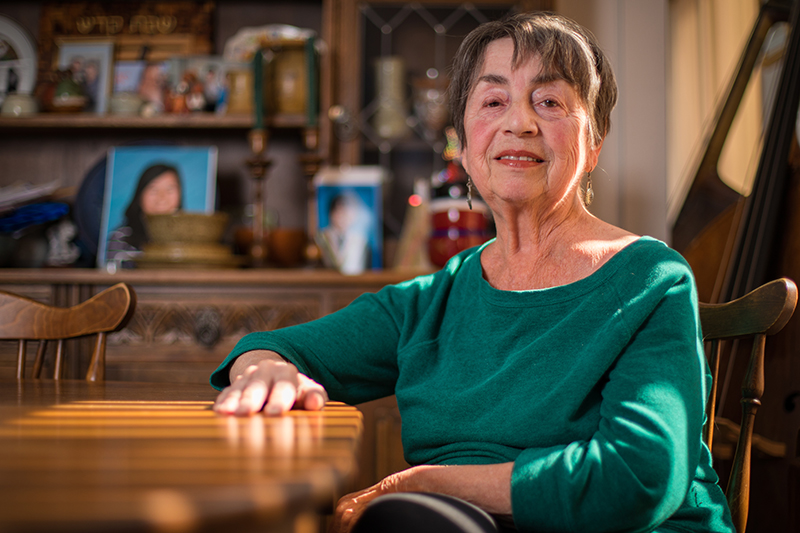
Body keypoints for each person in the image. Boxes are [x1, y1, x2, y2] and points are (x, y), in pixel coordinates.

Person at [211, 11, 735, 533]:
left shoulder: (651, 280)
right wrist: (263, 369)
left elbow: (637, 480)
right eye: (493, 101)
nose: (519, 122)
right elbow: (275, 346)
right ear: (463, 146)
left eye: (549, 102)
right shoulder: (432, 300)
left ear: (594, 143)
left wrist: (430, 483)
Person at [106, 163, 182, 268]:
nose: (162, 197)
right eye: (153, 189)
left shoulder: (189, 239)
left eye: (170, 189)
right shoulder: (122, 238)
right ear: (139, 195)